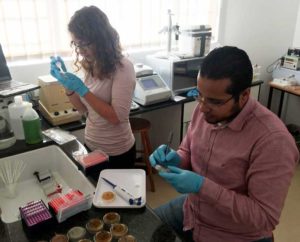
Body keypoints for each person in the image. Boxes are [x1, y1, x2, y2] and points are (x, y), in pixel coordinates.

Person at [150, 46, 299, 242]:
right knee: (140, 225)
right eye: (199, 95)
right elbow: (187, 150)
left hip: (233, 234)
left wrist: (202, 186)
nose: (202, 107)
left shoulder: (273, 141)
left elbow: (264, 218)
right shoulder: (205, 109)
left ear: (244, 95)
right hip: (193, 210)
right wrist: (176, 159)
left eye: (214, 101)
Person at [50, 6, 136, 170]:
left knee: (117, 196)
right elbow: (83, 109)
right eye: (76, 44)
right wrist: (68, 86)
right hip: (91, 144)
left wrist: (83, 90)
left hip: (116, 152)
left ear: (100, 38)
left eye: (84, 44)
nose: (80, 51)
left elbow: (116, 117)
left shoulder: (123, 67)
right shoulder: (92, 63)